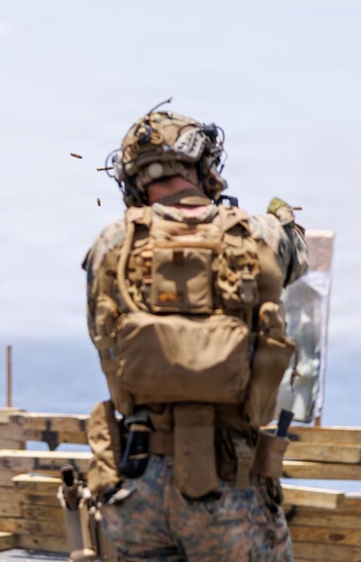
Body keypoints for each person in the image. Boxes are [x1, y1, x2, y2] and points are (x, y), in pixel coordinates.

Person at [82, 106, 309, 561]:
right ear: (203, 165)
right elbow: (298, 255)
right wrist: (283, 216)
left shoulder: (111, 243)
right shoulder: (259, 234)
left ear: (132, 180)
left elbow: (100, 332)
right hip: (231, 486)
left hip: (137, 482)